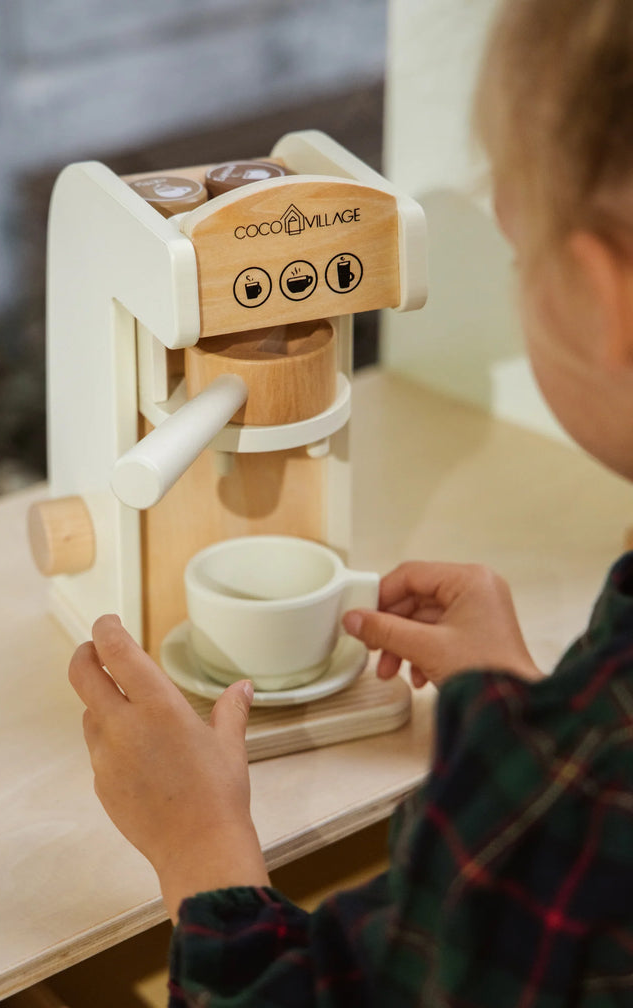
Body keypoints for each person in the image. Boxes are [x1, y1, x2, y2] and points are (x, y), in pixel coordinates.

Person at [68, 0, 633, 1002]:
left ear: (607, 302)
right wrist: (517, 700)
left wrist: (200, 848)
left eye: (517, 252)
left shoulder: (571, 812)